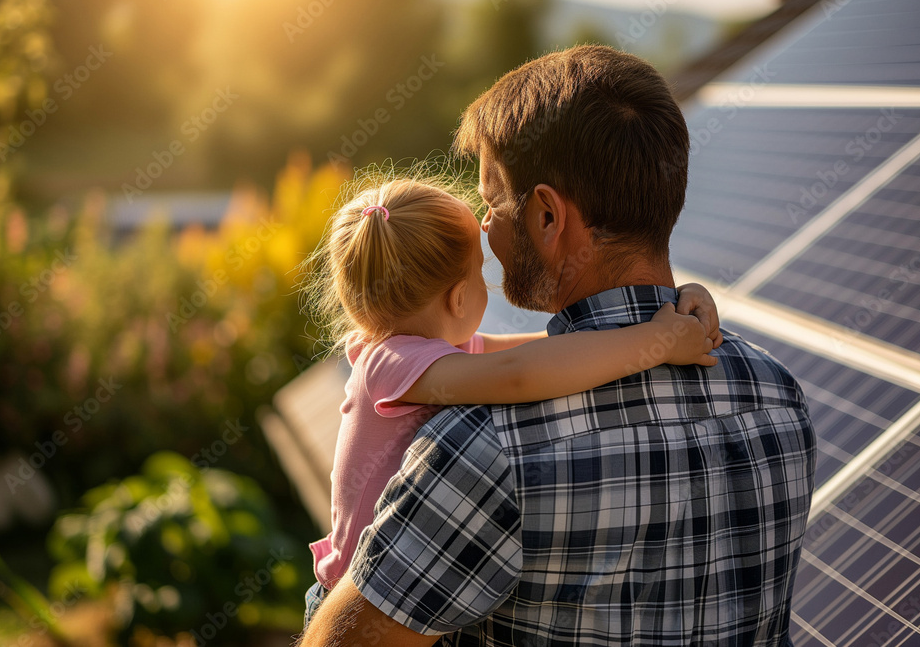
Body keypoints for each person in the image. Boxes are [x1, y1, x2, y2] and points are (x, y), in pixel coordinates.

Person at [299, 45, 815, 647]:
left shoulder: (486, 449)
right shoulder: (778, 398)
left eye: (492, 202)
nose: (486, 227)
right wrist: (667, 323)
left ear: (547, 216)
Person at [300, 176, 723, 625]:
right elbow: (521, 375)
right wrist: (655, 342)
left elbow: (547, 349)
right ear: (459, 299)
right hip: (355, 604)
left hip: (400, 586)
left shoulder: (428, 353)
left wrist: (662, 307)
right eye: (481, 272)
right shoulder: (391, 363)